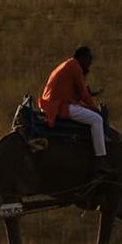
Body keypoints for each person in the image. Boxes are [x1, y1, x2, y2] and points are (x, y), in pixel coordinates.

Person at [38, 45, 114, 176]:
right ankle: (100, 159)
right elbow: (83, 94)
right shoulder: (74, 67)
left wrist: (89, 94)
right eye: (89, 59)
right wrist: (96, 110)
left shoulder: (68, 65)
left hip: (54, 103)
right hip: (59, 106)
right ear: (82, 57)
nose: (90, 63)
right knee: (97, 120)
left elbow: (78, 91)